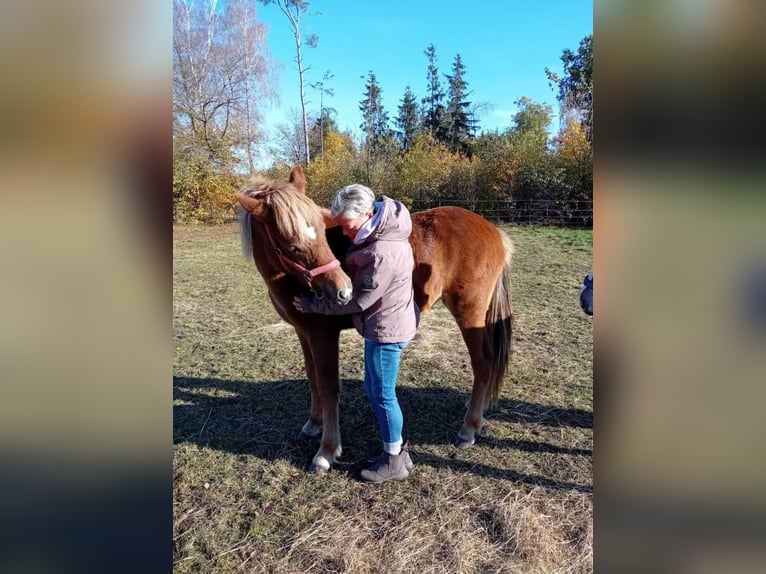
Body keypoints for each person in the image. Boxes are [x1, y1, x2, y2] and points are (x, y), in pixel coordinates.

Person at [292, 184, 418, 484]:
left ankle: (393, 462)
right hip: (384, 324)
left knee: (382, 394)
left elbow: (360, 300)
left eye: (347, 227)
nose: (345, 234)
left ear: (366, 214)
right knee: (376, 389)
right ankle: (399, 452)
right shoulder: (378, 236)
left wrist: (313, 304)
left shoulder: (381, 250)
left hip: (386, 330)